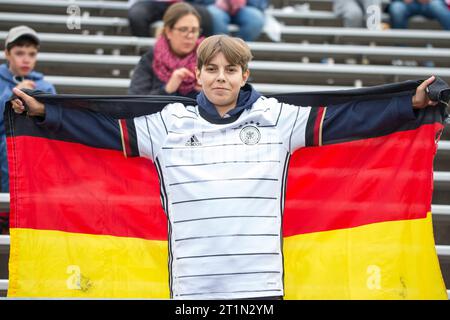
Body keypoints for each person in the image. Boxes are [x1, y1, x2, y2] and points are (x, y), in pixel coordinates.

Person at [10, 35, 438, 299]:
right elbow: (99, 131)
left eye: (230, 70)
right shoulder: (167, 124)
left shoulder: (278, 117)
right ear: (197, 73)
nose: (220, 78)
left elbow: (350, 121)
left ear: (244, 73)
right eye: (211, 69)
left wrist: (408, 104)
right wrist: (47, 113)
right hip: (193, 286)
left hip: (262, 287)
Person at [0, 25, 56, 234]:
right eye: (19, 53)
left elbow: (53, 120)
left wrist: (37, 104)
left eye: (31, 54)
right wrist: (13, 96)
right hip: (5, 137)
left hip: (34, 138)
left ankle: (36, 211)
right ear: (7, 54)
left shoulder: (45, 85)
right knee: (10, 148)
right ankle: (8, 212)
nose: (26, 59)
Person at [128, 2, 203, 98]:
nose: (190, 36)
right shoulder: (150, 59)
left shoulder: (206, 58)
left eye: (194, 30)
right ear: (168, 32)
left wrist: (207, 93)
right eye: (183, 29)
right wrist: (167, 89)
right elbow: (135, 102)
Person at [128, 0, 213, 37]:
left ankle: (200, 57)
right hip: (153, 3)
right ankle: (145, 52)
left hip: (185, 3)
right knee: (137, 14)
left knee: (205, 16)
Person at [201, 0, 268, 41]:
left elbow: (261, 3)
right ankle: (221, 48)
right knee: (216, 17)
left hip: (245, 6)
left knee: (256, 19)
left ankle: (238, 50)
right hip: (215, 5)